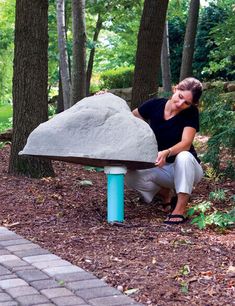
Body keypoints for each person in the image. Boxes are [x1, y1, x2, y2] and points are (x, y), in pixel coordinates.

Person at [125, 77, 204, 225]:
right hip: (163, 167)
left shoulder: (191, 113)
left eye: (186, 102)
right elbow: (130, 118)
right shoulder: (154, 105)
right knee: (130, 174)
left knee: (184, 156)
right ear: (175, 89)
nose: (180, 104)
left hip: (188, 168)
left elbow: (186, 143)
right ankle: (165, 194)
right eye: (180, 97)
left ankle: (179, 209)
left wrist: (167, 152)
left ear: (192, 104)